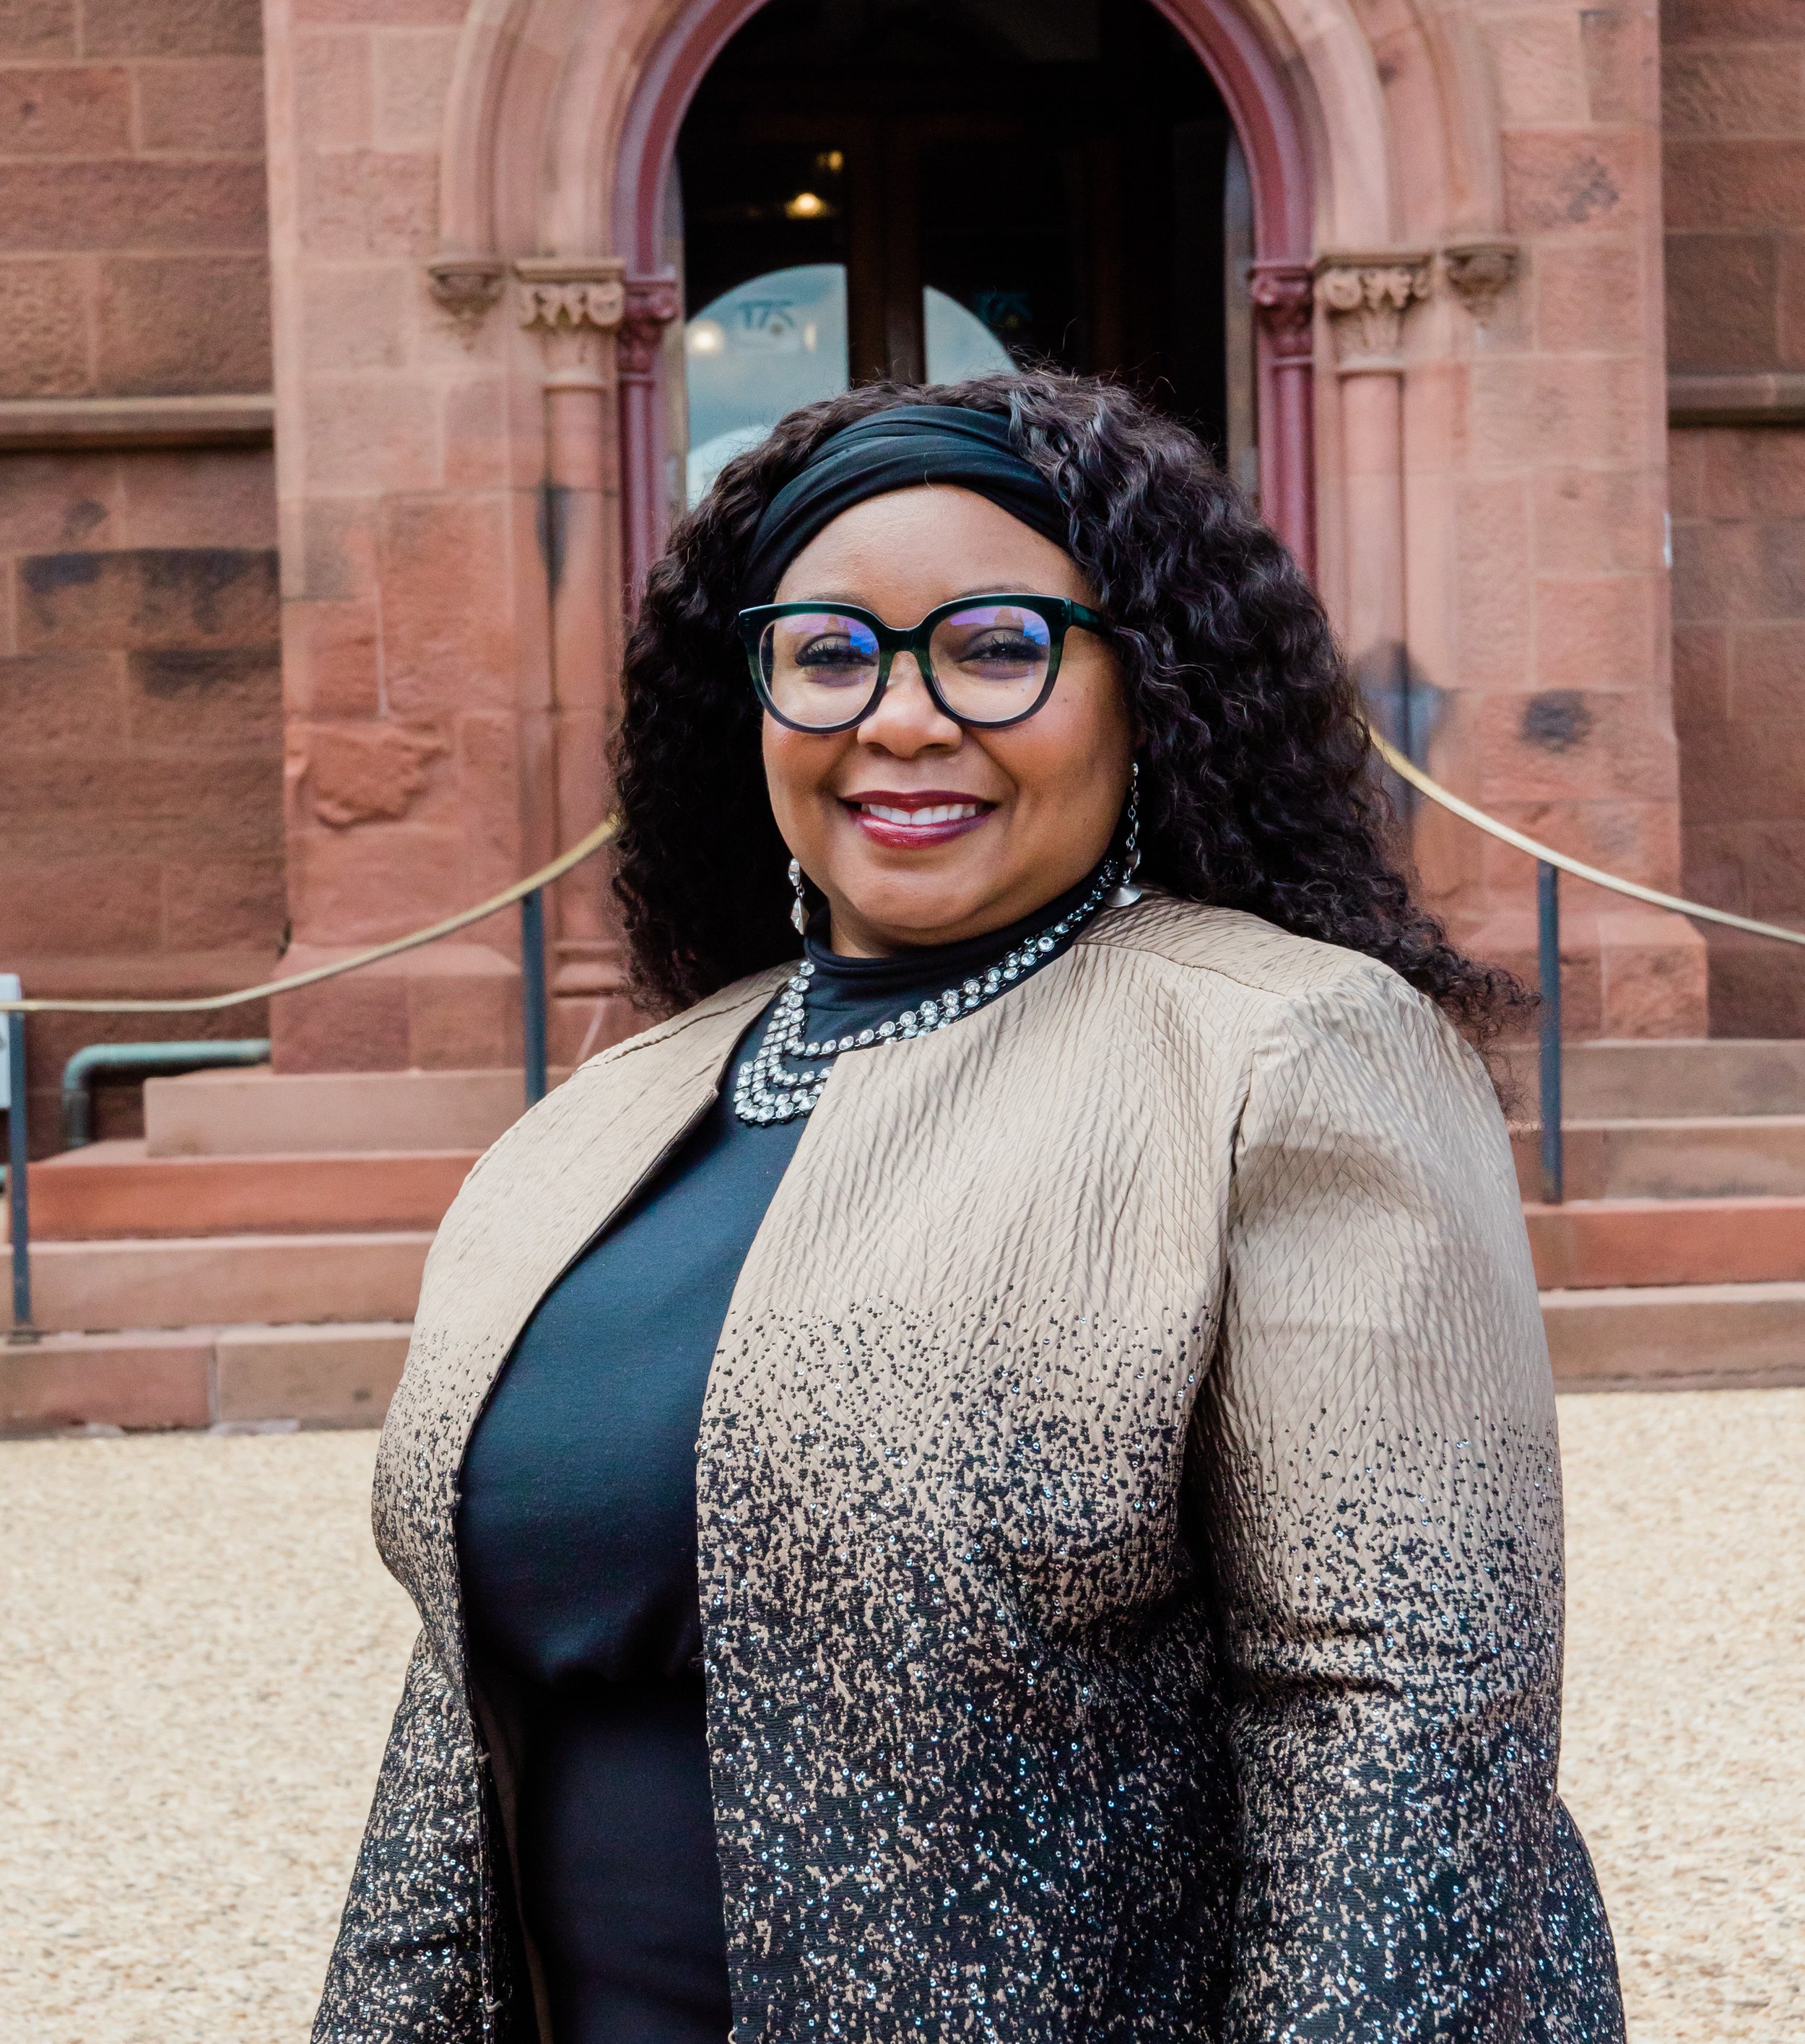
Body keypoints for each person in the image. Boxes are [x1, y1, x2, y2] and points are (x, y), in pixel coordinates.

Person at [314, 372, 1625, 2044]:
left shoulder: (1283, 1050)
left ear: (1141, 687)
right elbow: (460, 1707)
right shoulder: (606, 1114)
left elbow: (1403, 1729)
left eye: (995, 646)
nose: (903, 717)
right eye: (827, 653)